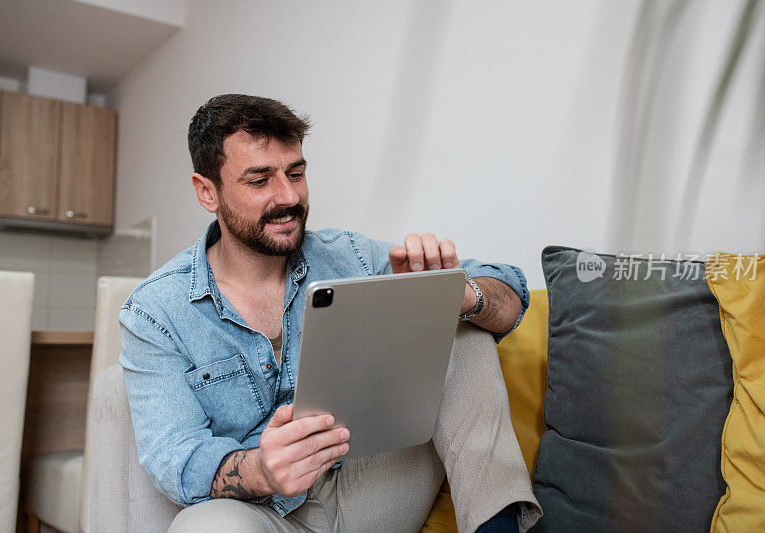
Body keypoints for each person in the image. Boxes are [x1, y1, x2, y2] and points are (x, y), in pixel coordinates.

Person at [119, 94, 541, 533]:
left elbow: (508, 292)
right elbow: (173, 455)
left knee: (458, 324)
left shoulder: (350, 257)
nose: (288, 196)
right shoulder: (154, 313)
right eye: (260, 180)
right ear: (208, 191)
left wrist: (461, 295)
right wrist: (262, 469)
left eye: (296, 173)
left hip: (375, 481)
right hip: (266, 510)